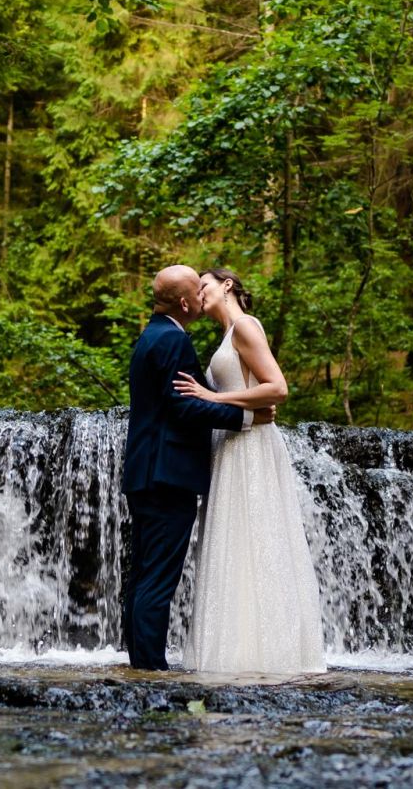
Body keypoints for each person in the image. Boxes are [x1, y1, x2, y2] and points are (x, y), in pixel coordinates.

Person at [122, 265, 273, 671]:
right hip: (167, 476)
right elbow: (183, 406)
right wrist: (248, 419)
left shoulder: (151, 337)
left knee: (143, 574)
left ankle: (140, 663)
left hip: (145, 473)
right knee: (157, 579)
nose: (202, 297)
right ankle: (151, 668)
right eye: (197, 290)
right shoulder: (172, 341)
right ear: (186, 302)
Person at [176, 268, 325, 674]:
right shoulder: (225, 336)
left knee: (258, 540)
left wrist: (213, 396)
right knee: (235, 546)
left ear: (227, 285)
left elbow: (277, 387)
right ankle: (236, 652)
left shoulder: (244, 326)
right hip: (231, 446)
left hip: (252, 448)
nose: (198, 292)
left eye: (204, 285)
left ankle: (269, 654)